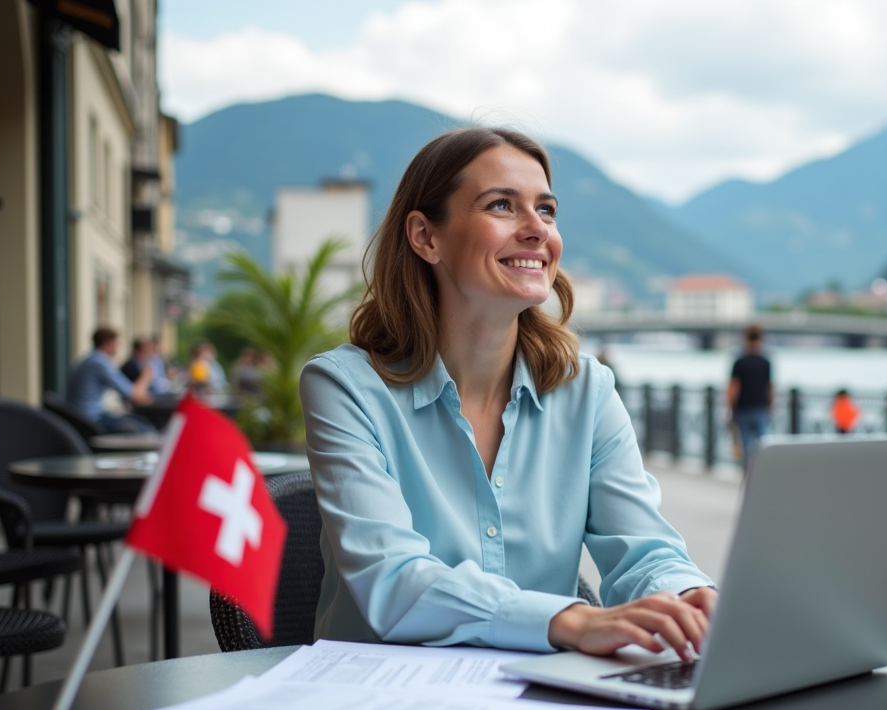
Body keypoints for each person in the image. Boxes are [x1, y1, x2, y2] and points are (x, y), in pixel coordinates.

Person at [299, 128, 716, 661]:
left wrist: (689, 597)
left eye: (546, 210)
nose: (536, 229)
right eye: (502, 205)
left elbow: (644, 551)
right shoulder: (345, 388)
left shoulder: (586, 391)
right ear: (426, 237)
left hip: (540, 704)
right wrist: (570, 619)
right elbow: (393, 580)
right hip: (382, 708)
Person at [67, 326, 156, 433]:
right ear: (108, 344)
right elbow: (134, 395)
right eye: (117, 344)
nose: (118, 348)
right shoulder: (100, 362)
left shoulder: (90, 358)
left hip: (82, 416)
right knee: (143, 428)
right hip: (89, 419)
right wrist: (146, 376)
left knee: (134, 421)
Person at [727, 325, 773, 472]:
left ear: (745, 338)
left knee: (745, 446)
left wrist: (730, 409)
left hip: (743, 409)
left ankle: (748, 476)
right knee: (763, 445)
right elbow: (770, 388)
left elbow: (733, 388)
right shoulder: (765, 362)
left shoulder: (739, 362)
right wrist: (770, 407)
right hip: (761, 408)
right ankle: (763, 473)